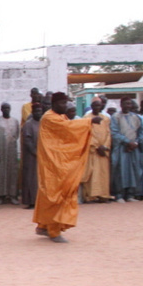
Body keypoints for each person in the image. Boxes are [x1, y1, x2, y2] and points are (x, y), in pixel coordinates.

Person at [32, 93, 102, 242]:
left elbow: (68, 135)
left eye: (66, 103)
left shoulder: (61, 117)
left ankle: (44, 226)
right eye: (63, 103)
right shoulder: (49, 118)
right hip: (53, 165)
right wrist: (89, 122)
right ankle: (54, 231)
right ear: (55, 104)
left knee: (56, 193)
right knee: (55, 193)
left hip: (60, 162)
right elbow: (68, 127)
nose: (66, 106)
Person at [111, 97, 143, 202]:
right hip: (122, 148)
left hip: (134, 149)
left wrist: (136, 143)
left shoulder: (136, 117)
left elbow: (142, 132)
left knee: (134, 170)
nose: (128, 106)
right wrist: (127, 142)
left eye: (130, 104)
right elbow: (114, 132)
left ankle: (130, 195)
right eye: (126, 104)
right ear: (121, 105)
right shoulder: (116, 117)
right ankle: (119, 195)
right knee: (120, 170)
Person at [80, 97, 112, 203]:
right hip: (93, 150)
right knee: (92, 173)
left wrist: (105, 146)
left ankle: (103, 195)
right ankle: (91, 195)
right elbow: (86, 134)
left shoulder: (105, 118)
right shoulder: (86, 118)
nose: (97, 107)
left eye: (99, 105)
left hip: (103, 151)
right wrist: (97, 146)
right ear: (92, 106)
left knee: (103, 173)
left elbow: (108, 134)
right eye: (95, 105)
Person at [0, 102, 20, 205]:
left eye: (8, 108)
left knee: (12, 172)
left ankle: (12, 195)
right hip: (1, 150)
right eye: (4, 108)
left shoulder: (15, 121)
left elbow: (16, 135)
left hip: (12, 150)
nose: (6, 110)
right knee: (0, 172)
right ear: (1, 109)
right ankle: (0, 195)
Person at [21, 102, 42, 208]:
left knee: (39, 179)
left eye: (40, 111)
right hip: (31, 156)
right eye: (36, 111)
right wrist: (34, 151)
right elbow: (27, 139)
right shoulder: (28, 124)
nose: (38, 113)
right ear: (32, 112)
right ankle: (30, 201)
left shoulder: (43, 123)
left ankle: (39, 201)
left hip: (42, 156)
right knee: (30, 178)